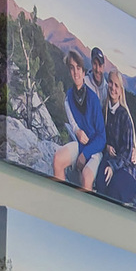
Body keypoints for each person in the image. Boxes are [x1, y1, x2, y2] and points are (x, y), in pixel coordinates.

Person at [51, 51, 103, 188]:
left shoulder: (93, 99)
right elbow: (74, 125)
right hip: (79, 145)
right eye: (72, 68)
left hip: (94, 150)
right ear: (69, 71)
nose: (76, 72)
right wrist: (77, 131)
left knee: (86, 177)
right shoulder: (69, 97)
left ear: (84, 71)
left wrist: (85, 154)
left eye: (78, 68)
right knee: (57, 159)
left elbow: (102, 138)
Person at [100, 63, 136, 208]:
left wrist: (112, 166)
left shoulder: (124, 117)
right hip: (110, 159)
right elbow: (99, 135)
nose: (113, 88)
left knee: (114, 190)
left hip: (126, 168)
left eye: (117, 85)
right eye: (110, 83)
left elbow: (128, 152)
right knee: (100, 182)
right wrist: (106, 146)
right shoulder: (104, 109)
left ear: (121, 90)